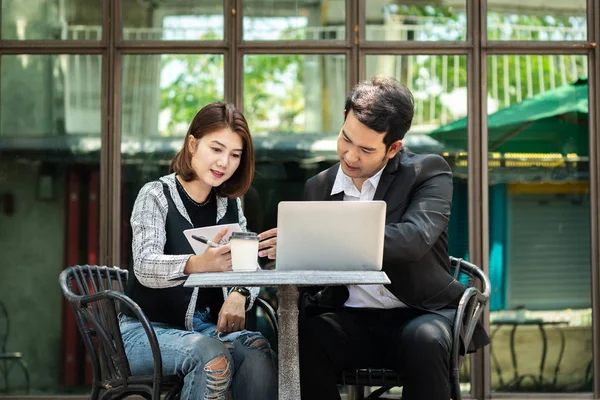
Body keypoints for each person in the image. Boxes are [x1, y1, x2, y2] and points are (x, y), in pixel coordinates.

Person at [265, 75, 489, 400]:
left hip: (421, 314)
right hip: (352, 320)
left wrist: (324, 237)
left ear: (393, 148)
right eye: (346, 139)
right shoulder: (318, 187)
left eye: (366, 149)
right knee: (302, 337)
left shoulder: (428, 172)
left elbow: (413, 239)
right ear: (344, 119)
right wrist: (290, 252)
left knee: (424, 340)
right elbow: (313, 274)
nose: (350, 157)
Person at [119, 102, 277, 400]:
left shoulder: (230, 204)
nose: (224, 163)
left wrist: (239, 293)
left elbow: (250, 266)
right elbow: (144, 266)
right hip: (145, 332)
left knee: (256, 347)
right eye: (216, 149)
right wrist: (197, 264)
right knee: (210, 354)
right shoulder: (155, 195)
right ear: (192, 144)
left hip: (202, 331)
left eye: (234, 155)